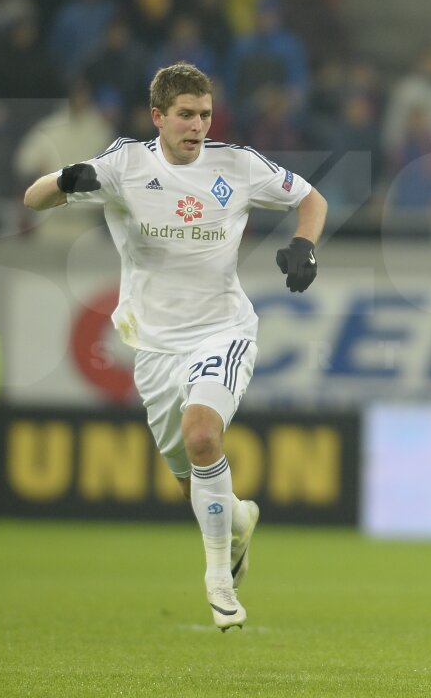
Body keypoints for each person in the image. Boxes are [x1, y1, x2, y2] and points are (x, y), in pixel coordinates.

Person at [23, 62, 327, 630]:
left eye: (205, 115)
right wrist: (68, 182)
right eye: (185, 115)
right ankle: (236, 521)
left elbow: (312, 198)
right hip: (156, 347)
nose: (197, 126)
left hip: (223, 329)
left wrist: (304, 245)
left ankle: (218, 579)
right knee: (190, 473)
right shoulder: (123, 165)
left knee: (202, 433)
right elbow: (34, 197)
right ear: (157, 117)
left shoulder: (236, 164)